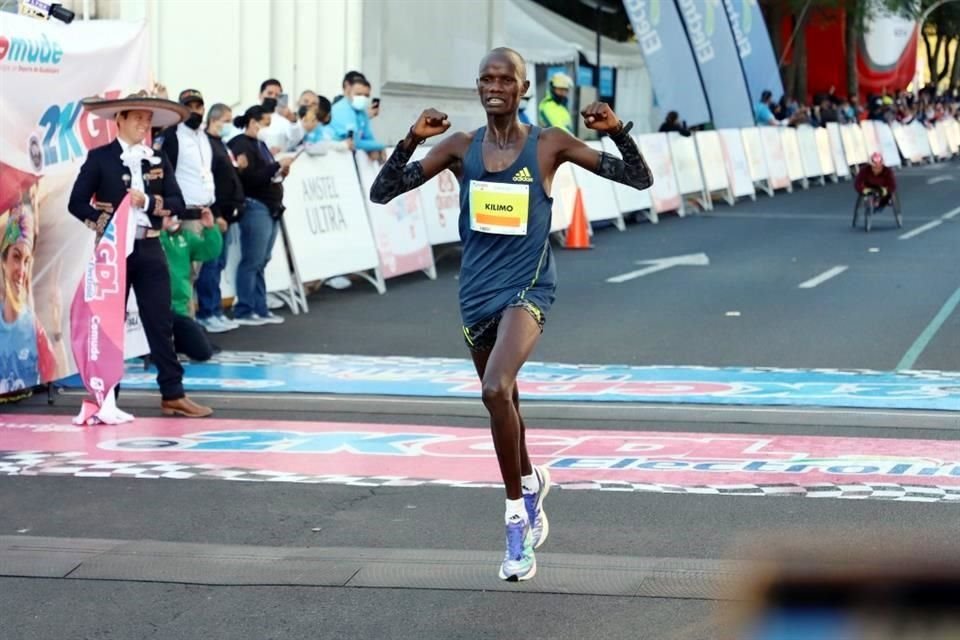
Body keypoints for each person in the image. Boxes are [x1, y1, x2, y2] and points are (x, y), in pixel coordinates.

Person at [369, 47, 653, 582]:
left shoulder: (549, 144)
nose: (495, 86)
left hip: (527, 289)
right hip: (476, 294)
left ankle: (516, 520)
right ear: (478, 88)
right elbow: (382, 192)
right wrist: (412, 139)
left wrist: (617, 130)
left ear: (524, 89)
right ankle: (530, 480)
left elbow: (639, 180)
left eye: (506, 79)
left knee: (496, 389)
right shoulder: (459, 147)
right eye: (486, 79)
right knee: (509, 406)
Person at [68, 92, 212, 418]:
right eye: (137, 118)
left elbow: (176, 200)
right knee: (109, 325)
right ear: (119, 119)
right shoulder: (100, 157)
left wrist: (146, 202)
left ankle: (173, 393)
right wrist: (105, 224)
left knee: (160, 323)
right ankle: (107, 398)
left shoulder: (157, 159)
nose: (143, 124)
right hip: (112, 253)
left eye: (148, 120)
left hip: (149, 246)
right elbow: (76, 203)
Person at [227, 105, 293, 325]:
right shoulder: (240, 144)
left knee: (261, 260)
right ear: (253, 122)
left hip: (270, 205)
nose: (267, 127)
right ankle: (245, 308)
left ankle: (259, 307)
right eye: (265, 123)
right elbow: (248, 179)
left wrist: (279, 171)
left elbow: (264, 175)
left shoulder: (260, 144)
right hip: (255, 205)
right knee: (252, 259)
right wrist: (275, 165)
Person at [0, 183, 64, 394]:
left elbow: (56, 373)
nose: (21, 268)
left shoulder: (32, 326)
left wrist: (56, 331)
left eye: (26, 261)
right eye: (16, 258)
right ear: (3, 261)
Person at [196, 103, 244, 333]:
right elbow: (208, 182)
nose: (229, 124)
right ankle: (208, 311)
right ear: (214, 119)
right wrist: (216, 214)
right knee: (211, 265)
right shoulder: (205, 144)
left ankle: (215, 309)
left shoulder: (221, 145)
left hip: (228, 212)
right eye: (226, 119)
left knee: (219, 264)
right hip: (215, 214)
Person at [160, 208, 222, 361]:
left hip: (180, 310)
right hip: (157, 310)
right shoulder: (153, 239)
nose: (173, 220)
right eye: (168, 217)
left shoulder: (186, 237)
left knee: (203, 352)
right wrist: (160, 230)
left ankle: (178, 343)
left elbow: (210, 251)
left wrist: (210, 228)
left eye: (175, 216)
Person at [330, 76, 385, 158]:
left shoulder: (361, 112)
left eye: (366, 95)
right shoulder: (342, 109)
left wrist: (375, 148)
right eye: (358, 94)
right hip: (334, 155)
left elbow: (368, 137)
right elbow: (354, 142)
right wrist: (380, 146)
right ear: (349, 93)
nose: (362, 98)